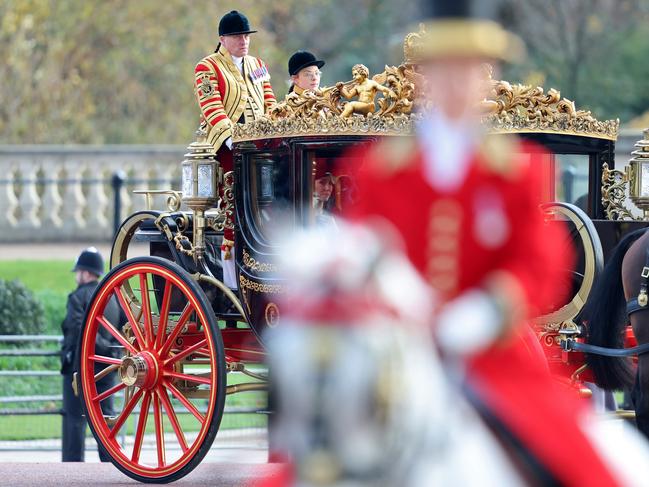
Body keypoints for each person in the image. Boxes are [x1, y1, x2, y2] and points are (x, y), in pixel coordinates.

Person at [346, 1, 648, 485]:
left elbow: (540, 258)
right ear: (425, 78)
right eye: (445, 70)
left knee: (583, 463)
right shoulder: (380, 170)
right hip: (399, 359)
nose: (458, 83)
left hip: (493, 355)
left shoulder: (514, 169)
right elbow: (360, 255)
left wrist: (491, 307)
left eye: (469, 70)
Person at [194, 10, 276, 290]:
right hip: (227, 150)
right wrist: (234, 141)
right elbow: (212, 106)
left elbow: (270, 103)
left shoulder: (258, 65)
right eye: (237, 36)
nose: (243, 41)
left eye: (246, 36)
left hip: (261, 148)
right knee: (233, 212)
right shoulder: (208, 66)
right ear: (222, 39)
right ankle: (232, 285)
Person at [60, 247, 117, 462]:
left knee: (74, 420)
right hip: (107, 368)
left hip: (80, 367)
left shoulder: (77, 297)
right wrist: (107, 349)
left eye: (79, 272)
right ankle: (109, 462)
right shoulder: (112, 297)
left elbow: (76, 330)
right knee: (105, 419)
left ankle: (73, 467)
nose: (77, 276)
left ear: (86, 273)